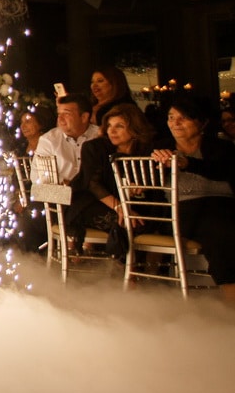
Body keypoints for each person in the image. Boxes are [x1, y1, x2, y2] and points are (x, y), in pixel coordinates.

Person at [150, 95, 235, 307]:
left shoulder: (221, 148)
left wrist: (188, 163)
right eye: (171, 117)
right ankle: (231, 301)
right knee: (222, 232)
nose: (175, 123)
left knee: (222, 223)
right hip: (183, 211)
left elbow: (223, 171)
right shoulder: (159, 148)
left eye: (183, 118)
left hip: (224, 207)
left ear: (201, 122)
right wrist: (157, 165)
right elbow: (145, 183)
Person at [66, 103, 155, 254]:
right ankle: (120, 265)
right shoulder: (94, 147)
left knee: (147, 222)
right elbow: (93, 185)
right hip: (88, 203)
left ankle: (133, 265)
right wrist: (121, 208)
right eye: (109, 126)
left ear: (135, 128)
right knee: (131, 224)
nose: (112, 131)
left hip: (130, 204)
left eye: (119, 126)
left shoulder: (146, 151)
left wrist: (140, 188)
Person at [34, 94, 101, 185]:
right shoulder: (49, 140)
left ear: (84, 117)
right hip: (61, 192)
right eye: (59, 114)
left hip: (97, 192)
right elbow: (38, 178)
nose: (60, 119)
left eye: (66, 114)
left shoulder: (99, 136)